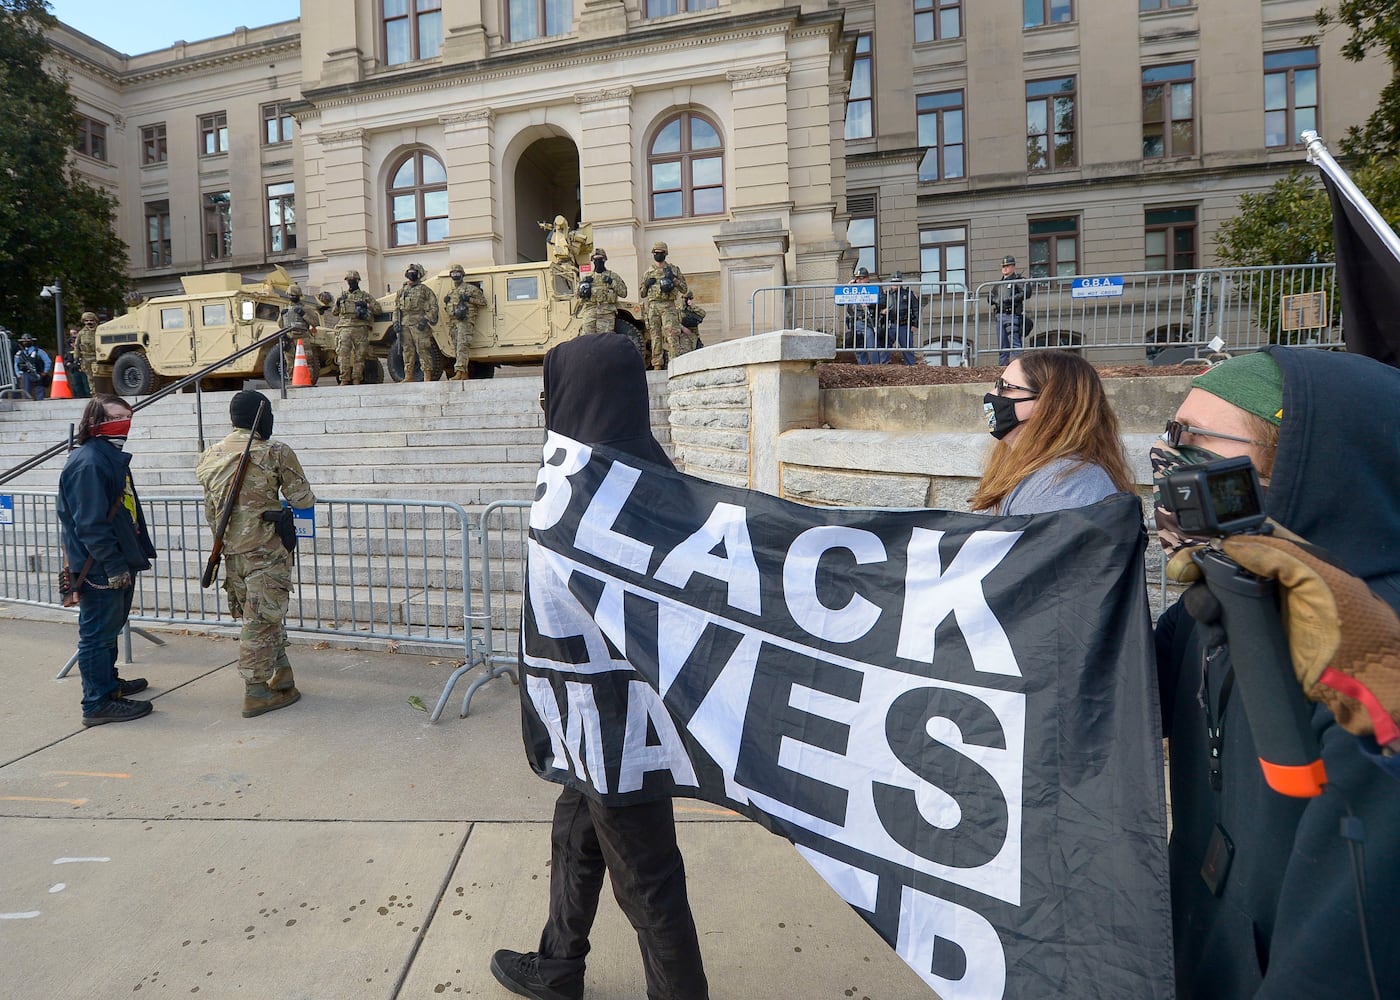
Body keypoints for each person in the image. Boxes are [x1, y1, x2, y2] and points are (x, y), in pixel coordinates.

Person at [1151, 347, 1400, 998]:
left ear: (1301, 470)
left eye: (1192, 443)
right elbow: (1110, 694)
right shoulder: (1217, 599)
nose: (1167, 463)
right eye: (1168, 436)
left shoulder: (1371, 659)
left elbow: (1344, 961)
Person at [491, 333, 708, 1000]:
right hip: (599, 721)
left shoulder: (581, 491)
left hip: (619, 728)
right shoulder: (659, 479)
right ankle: (558, 965)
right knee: (574, 833)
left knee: (648, 884)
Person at [196, 390, 317, 718]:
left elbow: (212, 513)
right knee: (261, 621)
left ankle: (282, 670)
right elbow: (303, 499)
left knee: (263, 617)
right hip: (266, 553)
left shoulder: (211, 454)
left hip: (231, 552)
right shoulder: (275, 452)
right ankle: (256, 690)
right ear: (262, 418)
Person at [56, 394, 157, 726]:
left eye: (127, 416)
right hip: (99, 565)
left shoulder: (106, 456)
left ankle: (108, 684)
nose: (123, 422)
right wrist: (113, 564)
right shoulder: (90, 461)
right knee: (97, 634)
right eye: (115, 416)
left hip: (117, 556)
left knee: (109, 629)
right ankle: (96, 702)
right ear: (94, 422)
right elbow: (90, 523)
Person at [970, 350, 1133, 514]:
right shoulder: (1034, 471)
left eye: (1004, 387)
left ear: (1049, 404)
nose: (992, 394)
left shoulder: (1064, 490)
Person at [641, 241, 688, 370]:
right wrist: (646, 285)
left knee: (672, 335)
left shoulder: (673, 270)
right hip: (653, 306)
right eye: (656, 253)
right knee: (655, 336)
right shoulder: (648, 272)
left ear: (665, 254)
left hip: (668, 306)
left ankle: (675, 363)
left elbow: (684, 289)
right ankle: (657, 364)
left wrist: (673, 279)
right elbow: (642, 293)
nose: (658, 255)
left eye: (660, 253)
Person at [331, 269, 381, 386]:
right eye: (350, 280)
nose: (351, 282)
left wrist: (366, 305)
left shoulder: (365, 296)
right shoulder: (342, 296)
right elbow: (334, 312)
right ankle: (344, 379)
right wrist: (338, 303)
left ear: (358, 281)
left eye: (354, 280)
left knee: (360, 355)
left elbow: (377, 310)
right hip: (344, 328)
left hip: (360, 328)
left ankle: (357, 378)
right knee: (343, 355)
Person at [394, 262, 440, 382]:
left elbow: (434, 307)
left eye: (414, 272)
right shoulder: (402, 291)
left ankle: (427, 375)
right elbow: (396, 309)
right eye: (410, 272)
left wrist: (426, 319)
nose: (411, 274)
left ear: (419, 274)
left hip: (419, 324)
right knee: (407, 351)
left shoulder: (425, 290)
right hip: (404, 324)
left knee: (423, 349)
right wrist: (396, 323)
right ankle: (408, 375)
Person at [442, 263, 488, 380]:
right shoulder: (451, 292)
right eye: (453, 273)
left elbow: (483, 302)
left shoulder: (470, 289)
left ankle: (459, 371)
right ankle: (463, 373)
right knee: (457, 348)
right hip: (454, 323)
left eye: (458, 272)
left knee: (462, 346)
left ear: (462, 274)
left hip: (465, 322)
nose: (455, 275)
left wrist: (469, 299)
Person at [987, 254, 1034, 366]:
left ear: (1013, 267)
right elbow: (990, 297)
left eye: (1008, 266)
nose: (1005, 268)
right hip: (1000, 315)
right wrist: (996, 300)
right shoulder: (999, 284)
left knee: (1015, 345)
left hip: (1011, 315)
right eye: (1003, 266)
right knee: (1003, 347)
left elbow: (1026, 293)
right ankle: (1003, 368)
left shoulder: (1018, 280)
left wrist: (1010, 299)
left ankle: (1019, 368)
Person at [575, 248, 629, 339]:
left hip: (606, 314)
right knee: (587, 341)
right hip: (590, 313)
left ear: (604, 259)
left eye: (600, 259)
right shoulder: (587, 277)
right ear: (592, 261)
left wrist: (612, 282)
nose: (597, 262)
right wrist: (583, 285)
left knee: (606, 341)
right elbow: (577, 295)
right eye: (595, 259)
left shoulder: (613, 276)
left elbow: (624, 293)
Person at [876, 271, 919, 366]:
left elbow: (916, 309)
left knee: (907, 348)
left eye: (898, 282)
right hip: (890, 325)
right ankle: (884, 366)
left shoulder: (908, 294)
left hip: (904, 325)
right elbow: (879, 308)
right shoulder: (887, 295)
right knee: (885, 347)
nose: (896, 285)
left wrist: (915, 324)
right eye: (894, 282)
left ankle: (911, 367)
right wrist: (882, 311)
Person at [540, 215, 586, 297]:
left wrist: (572, 238)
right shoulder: (553, 236)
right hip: (558, 265)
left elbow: (583, 239)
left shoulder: (569, 234)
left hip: (569, 267)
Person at [844, 266, 880, 364]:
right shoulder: (853, 289)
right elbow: (843, 301)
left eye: (861, 278)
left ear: (867, 279)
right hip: (855, 321)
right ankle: (863, 366)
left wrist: (870, 303)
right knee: (858, 347)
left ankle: (876, 366)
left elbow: (882, 301)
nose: (859, 281)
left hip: (867, 321)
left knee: (871, 346)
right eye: (857, 279)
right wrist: (848, 287)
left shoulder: (872, 289)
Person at [14, 334, 52, 400]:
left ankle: (40, 404)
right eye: (24, 341)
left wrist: (45, 371)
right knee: (26, 392)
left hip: (38, 373)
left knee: (40, 391)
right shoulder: (20, 353)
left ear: (32, 341)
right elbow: (16, 364)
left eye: (28, 341)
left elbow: (47, 361)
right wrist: (18, 374)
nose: (25, 342)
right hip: (26, 375)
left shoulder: (39, 351)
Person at [678, 291, 705, 356]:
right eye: (686, 298)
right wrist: (683, 328)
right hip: (683, 336)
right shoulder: (678, 310)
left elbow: (703, 314)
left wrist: (692, 306)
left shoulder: (693, 308)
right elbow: (674, 322)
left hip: (694, 335)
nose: (688, 300)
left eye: (690, 299)